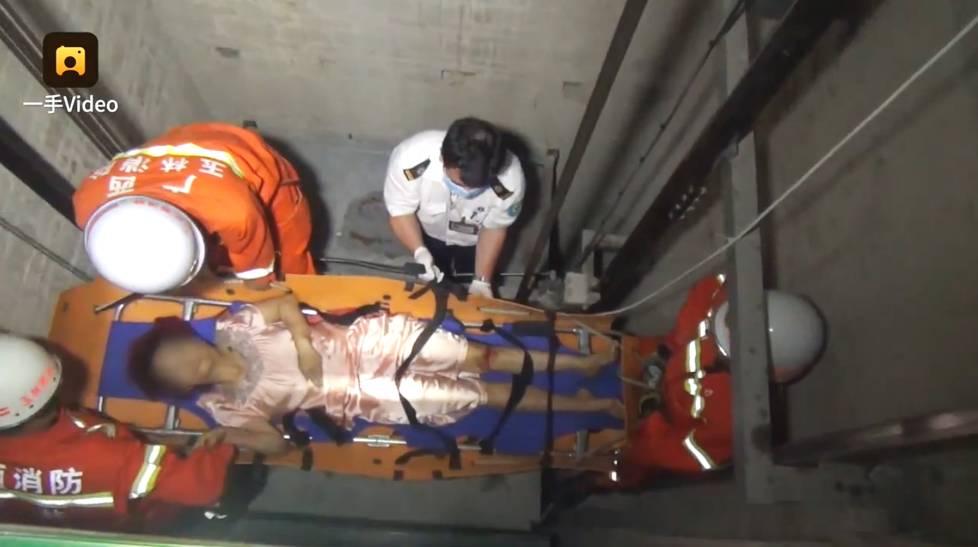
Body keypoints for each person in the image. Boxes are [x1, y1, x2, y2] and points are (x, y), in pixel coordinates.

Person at [128, 294, 619, 455]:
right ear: (181, 387)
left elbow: (283, 302)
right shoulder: (226, 409)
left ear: (185, 337)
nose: (185, 362)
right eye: (174, 371)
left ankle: (583, 364)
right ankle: (586, 405)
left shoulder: (235, 326)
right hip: (367, 393)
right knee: (483, 396)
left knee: (480, 358)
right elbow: (276, 444)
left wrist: (304, 343)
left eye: (176, 351)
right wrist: (226, 438)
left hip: (369, 343)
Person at [0, 333, 238, 531]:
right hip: (158, 526)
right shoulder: (106, 457)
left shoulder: (93, 447)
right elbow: (203, 487)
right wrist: (215, 448)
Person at [621, 274, 825, 483]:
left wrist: (637, 446)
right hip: (663, 370)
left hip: (664, 422)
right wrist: (664, 353)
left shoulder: (734, 418)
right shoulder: (716, 295)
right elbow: (691, 316)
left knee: (627, 466)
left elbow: (679, 452)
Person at [73, 122, 316, 295]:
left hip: (246, 155)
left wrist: (266, 293)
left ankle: (320, 305)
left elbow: (259, 280)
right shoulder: (87, 202)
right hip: (181, 141)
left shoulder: (232, 211)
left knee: (289, 257)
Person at [384, 117, 525, 298]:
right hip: (430, 231)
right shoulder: (410, 158)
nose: (466, 192)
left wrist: (482, 281)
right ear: (443, 158)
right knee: (436, 276)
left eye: (476, 187)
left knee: (469, 275)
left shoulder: (510, 180)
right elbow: (400, 210)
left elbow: (495, 228)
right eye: (459, 184)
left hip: (475, 240)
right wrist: (419, 251)